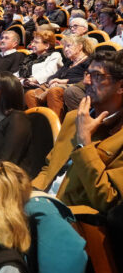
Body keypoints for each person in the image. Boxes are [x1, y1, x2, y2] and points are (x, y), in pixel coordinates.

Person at [32, 50, 123, 212]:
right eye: (87, 74)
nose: (87, 81)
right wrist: (32, 194)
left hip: (76, 220)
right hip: (42, 204)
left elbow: (108, 200)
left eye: (97, 76)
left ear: (120, 86)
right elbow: (49, 168)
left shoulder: (119, 136)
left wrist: (85, 142)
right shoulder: (74, 118)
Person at [25, 35, 94, 121]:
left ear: (80, 46)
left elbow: (89, 78)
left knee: (55, 91)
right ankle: (38, 124)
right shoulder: (68, 63)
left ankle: (55, 126)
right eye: (64, 47)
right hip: (57, 86)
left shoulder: (89, 61)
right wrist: (52, 81)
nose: (65, 49)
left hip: (74, 87)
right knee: (30, 94)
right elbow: (53, 76)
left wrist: (64, 81)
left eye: (68, 46)